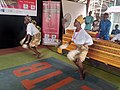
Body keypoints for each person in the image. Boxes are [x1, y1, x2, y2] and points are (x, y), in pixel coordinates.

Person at [60, 15, 93, 80]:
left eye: (75, 21)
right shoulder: (75, 31)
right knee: (72, 58)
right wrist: (67, 44)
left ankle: (82, 73)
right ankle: (80, 68)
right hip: (78, 48)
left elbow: (90, 41)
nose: (74, 23)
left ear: (79, 23)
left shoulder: (83, 32)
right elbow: (73, 39)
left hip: (83, 49)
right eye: (74, 21)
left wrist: (84, 44)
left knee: (79, 61)